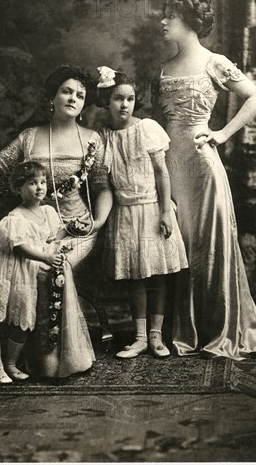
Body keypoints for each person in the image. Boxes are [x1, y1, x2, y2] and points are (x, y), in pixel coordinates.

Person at [153, 0, 256, 360]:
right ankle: (182, 327)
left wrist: (222, 134)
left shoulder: (215, 62)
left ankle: (218, 327)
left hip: (202, 165)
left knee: (208, 245)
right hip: (169, 165)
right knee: (179, 241)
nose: (162, 21)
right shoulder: (163, 68)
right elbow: (155, 123)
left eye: (170, 16)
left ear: (190, 22)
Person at [0, 65, 113, 377]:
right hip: (35, 227)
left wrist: (97, 222)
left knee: (51, 266)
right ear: (52, 97)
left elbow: (103, 189)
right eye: (67, 91)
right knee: (30, 264)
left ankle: (59, 361)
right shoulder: (30, 137)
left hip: (78, 229)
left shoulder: (92, 140)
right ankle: (19, 357)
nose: (74, 98)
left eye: (80, 95)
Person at [96, 67, 188, 359]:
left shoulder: (146, 128)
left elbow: (162, 173)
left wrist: (164, 211)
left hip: (151, 208)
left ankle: (156, 335)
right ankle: (139, 338)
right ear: (106, 102)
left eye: (130, 98)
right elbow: (106, 181)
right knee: (135, 277)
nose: (124, 105)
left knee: (157, 275)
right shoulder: (105, 137)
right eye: (117, 99)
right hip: (124, 212)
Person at [0, 161, 88, 383]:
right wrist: (45, 257)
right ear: (18, 188)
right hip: (9, 270)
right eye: (32, 183)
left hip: (28, 273)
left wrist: (71, 228)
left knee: (23, 320)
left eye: (43, 182)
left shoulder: (47, 211)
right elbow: (20, 247)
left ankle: (11, 364)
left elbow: (50, 237)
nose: (39, 187)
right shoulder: (15, 217)